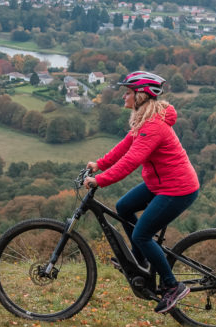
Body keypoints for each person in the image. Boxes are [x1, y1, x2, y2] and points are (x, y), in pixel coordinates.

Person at [84, 70, 199, 314]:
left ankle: (172, 286)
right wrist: (100, 164)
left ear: (141, 96)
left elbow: (131, 161)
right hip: (160, 183)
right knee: (124, 207)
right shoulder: (144, 120)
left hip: (178, 188)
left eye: (128, 92)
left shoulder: (154, 126)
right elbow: (125, 146)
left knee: (142, 235)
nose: (124, 97)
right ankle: (141, 261)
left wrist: (100, 180)